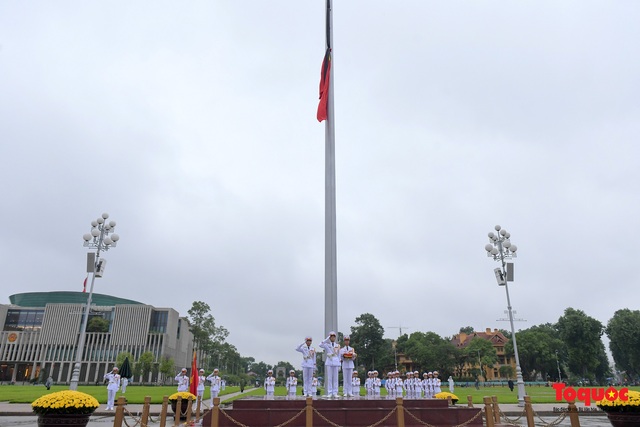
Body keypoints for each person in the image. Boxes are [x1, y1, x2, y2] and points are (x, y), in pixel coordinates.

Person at [320, 332, 341, 397]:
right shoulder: (327, 344)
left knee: (335, 378)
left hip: (335, 361)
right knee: (329, 378)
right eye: (331, 337)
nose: (332, 338)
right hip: (329, 361)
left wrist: (339, 364)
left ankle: (335, 392)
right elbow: (320, 344)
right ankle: (329, 392)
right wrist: (327, 339)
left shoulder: (337, 345)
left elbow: (339, 355)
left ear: (335, 337)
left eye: (333, 336)